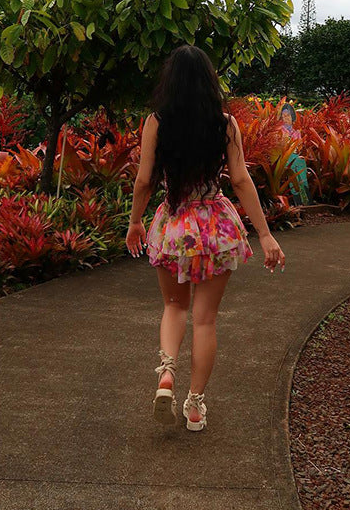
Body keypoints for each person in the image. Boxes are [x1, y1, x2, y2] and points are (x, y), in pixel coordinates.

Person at [126, 45, 286, 431]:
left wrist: (134, 223)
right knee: (206, 320)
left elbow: (145, 180)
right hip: (216, 225)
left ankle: (166, 373)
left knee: (174, 307)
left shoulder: (157, 121)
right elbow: (241, 179)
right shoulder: (225, 123)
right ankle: (195, 406)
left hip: (174, 224)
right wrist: (265, 235)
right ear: (209, 81)